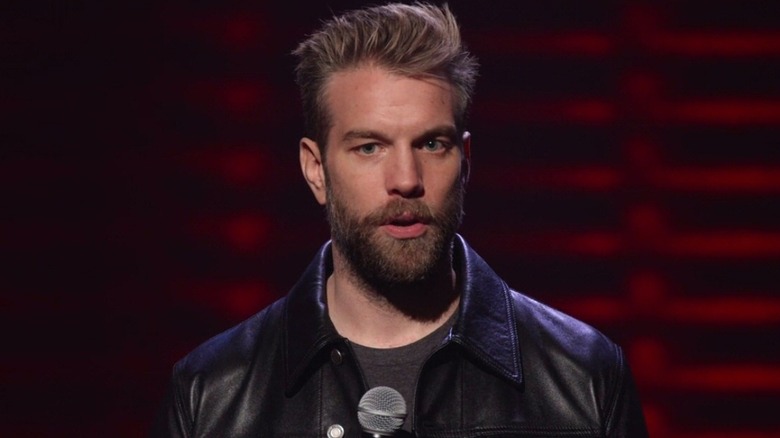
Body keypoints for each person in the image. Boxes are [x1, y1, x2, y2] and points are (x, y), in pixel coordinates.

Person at [151, 3, 648, 437]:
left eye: (432, 144)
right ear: (315, 170)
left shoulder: (584, 378)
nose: (406, 179)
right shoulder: (211, 394)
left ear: (465, 159)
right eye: (369, 147)